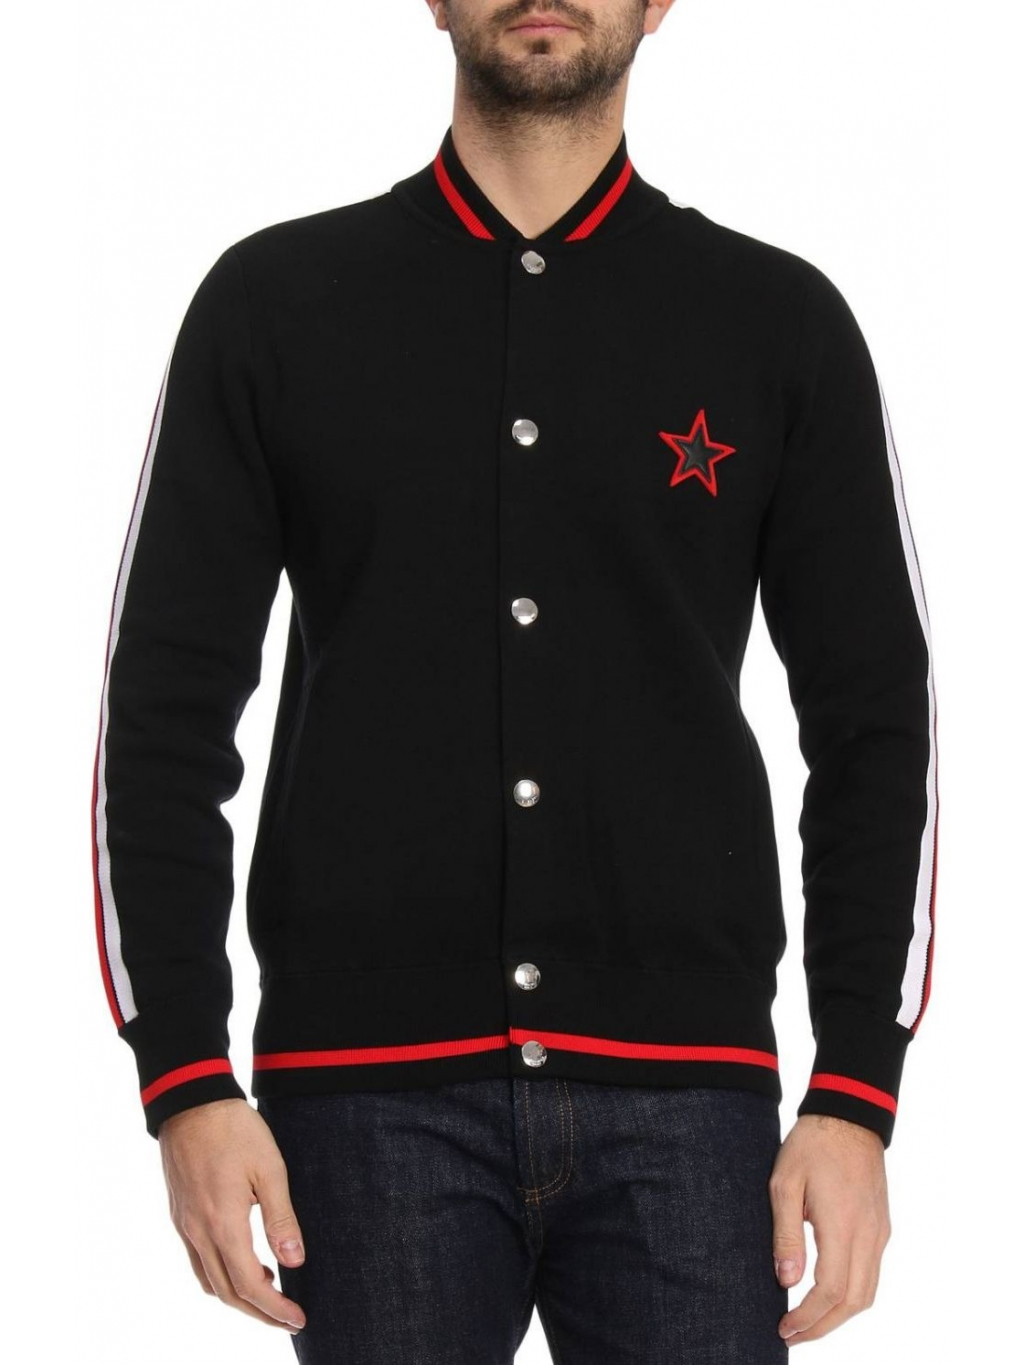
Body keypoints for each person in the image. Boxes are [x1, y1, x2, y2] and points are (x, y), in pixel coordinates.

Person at [91, 2, 938, 1361]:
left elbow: (880, 724)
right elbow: (160, 716)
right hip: (363, 1101)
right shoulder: (275, 305)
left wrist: (855, 1093)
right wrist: (186, 1077)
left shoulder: (778, 323)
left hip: (690, 1099)